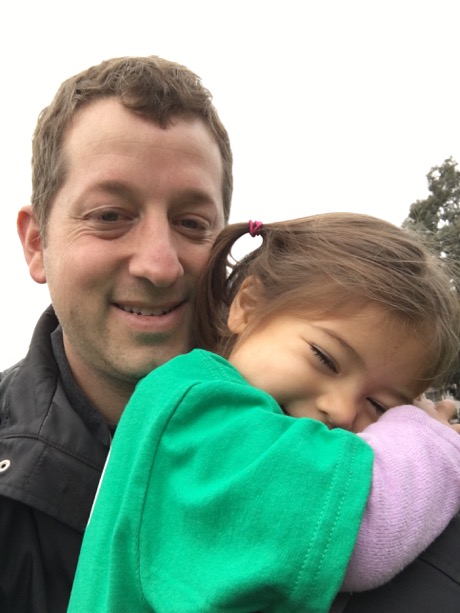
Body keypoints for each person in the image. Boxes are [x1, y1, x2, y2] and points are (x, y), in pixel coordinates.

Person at [68, 213, 460, 613]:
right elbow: (366, 529)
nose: (341, 411)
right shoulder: (194, 413)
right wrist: (428, 434)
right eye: (324, 358)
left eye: (379, 406)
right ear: (248, 306)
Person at [0, 55, 232, 613]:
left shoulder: (329, 435)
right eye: (109, 215)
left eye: (193, 224)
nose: (159, 264)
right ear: (37, 244)